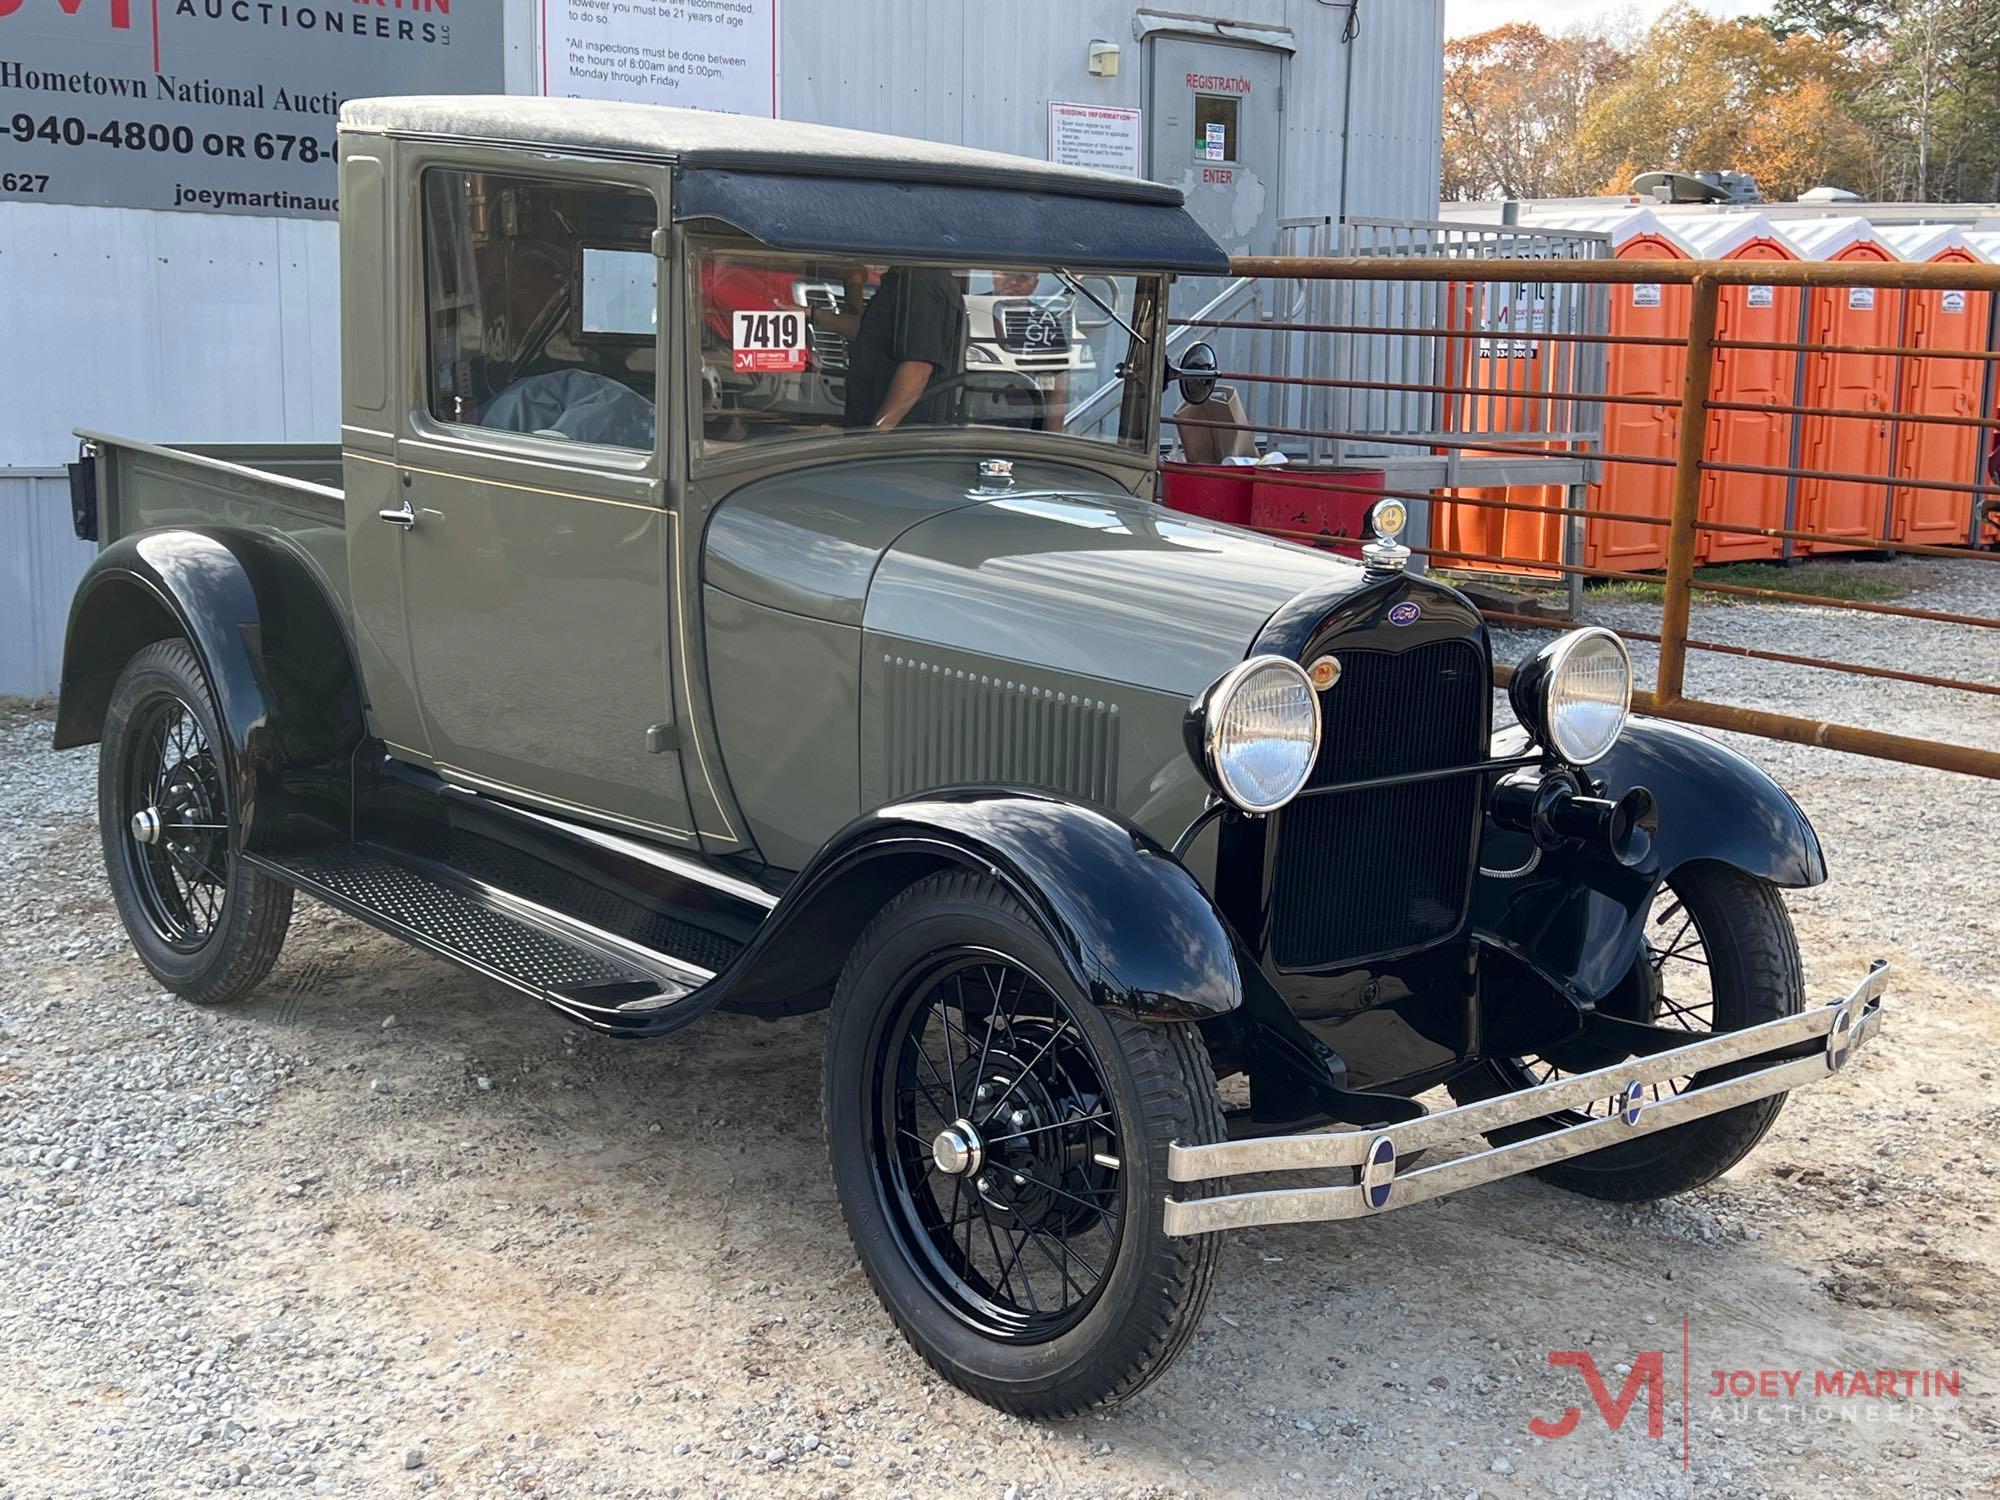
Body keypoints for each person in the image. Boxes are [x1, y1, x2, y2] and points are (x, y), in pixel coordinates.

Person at [811, 264, 965, 429]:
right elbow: (869, 331)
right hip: (882, 435)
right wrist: (814, 315)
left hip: (903, 441)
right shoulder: (904, 280)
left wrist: (878, 431)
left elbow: (918, 368)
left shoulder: (921, 283)